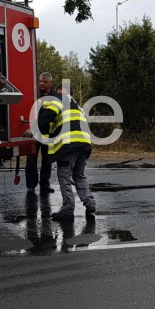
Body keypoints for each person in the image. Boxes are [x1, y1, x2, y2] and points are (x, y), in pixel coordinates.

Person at [38, 84, 95, 221]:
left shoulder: (58, 100)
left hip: (69, 145)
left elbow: (45, 119)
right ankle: (90, 203)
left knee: (64, 176)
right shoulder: (77, 106)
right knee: (79, 176)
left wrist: (37, 130)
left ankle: (68, 209)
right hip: (84, 144)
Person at [26, 72, 57, 195]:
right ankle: (31, 186)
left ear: (50, 83)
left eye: (45, 81)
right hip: (34, 134)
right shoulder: (34, 95)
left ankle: (45, 184)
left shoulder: (55, 97)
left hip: (48, 134)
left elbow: (51, 115)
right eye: (40, 81)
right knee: (31, 161)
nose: (42, 83)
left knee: (47, 161)